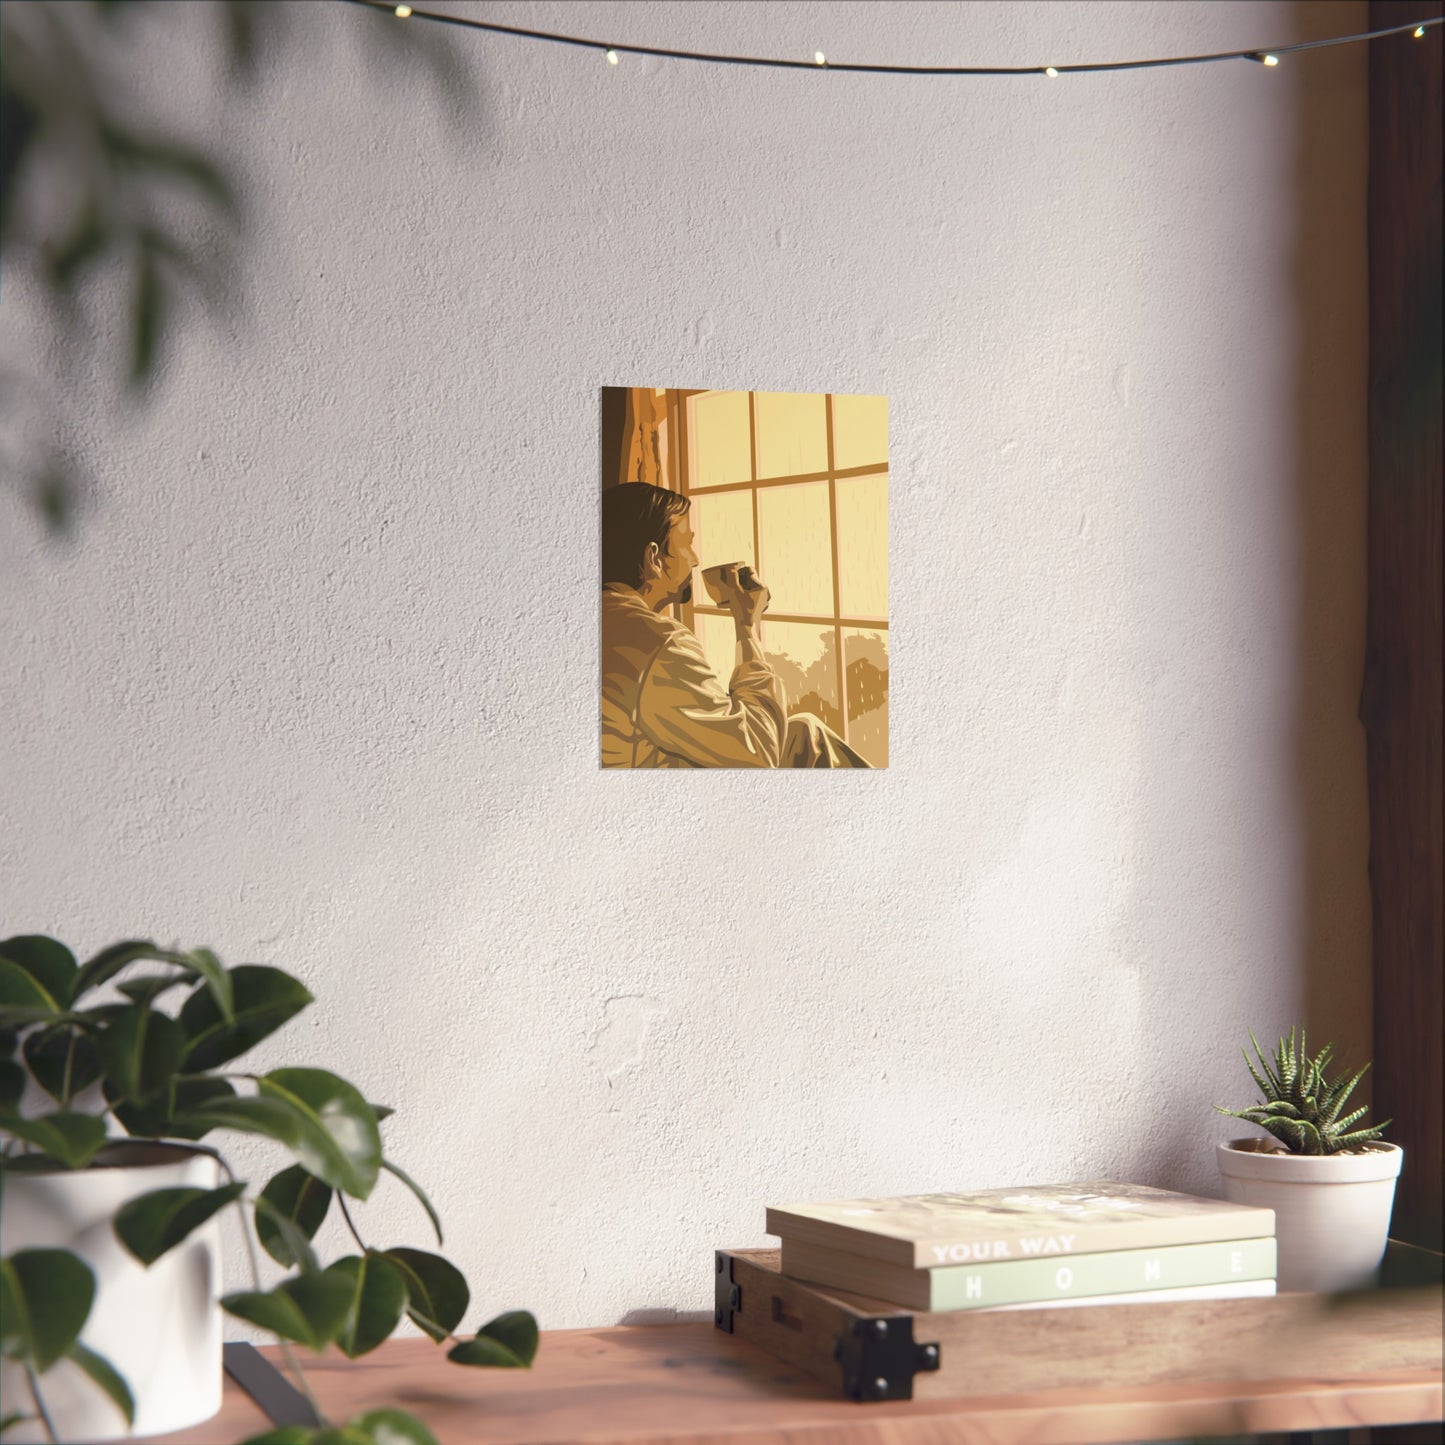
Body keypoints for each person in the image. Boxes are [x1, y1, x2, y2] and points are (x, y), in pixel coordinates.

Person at [600, 483, 871, 768]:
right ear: (653, 557)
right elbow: (758, 756)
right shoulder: (659, 642)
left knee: (805, 732)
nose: (695, 559)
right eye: (687, 545)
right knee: (809, 744)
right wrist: (746, 625)